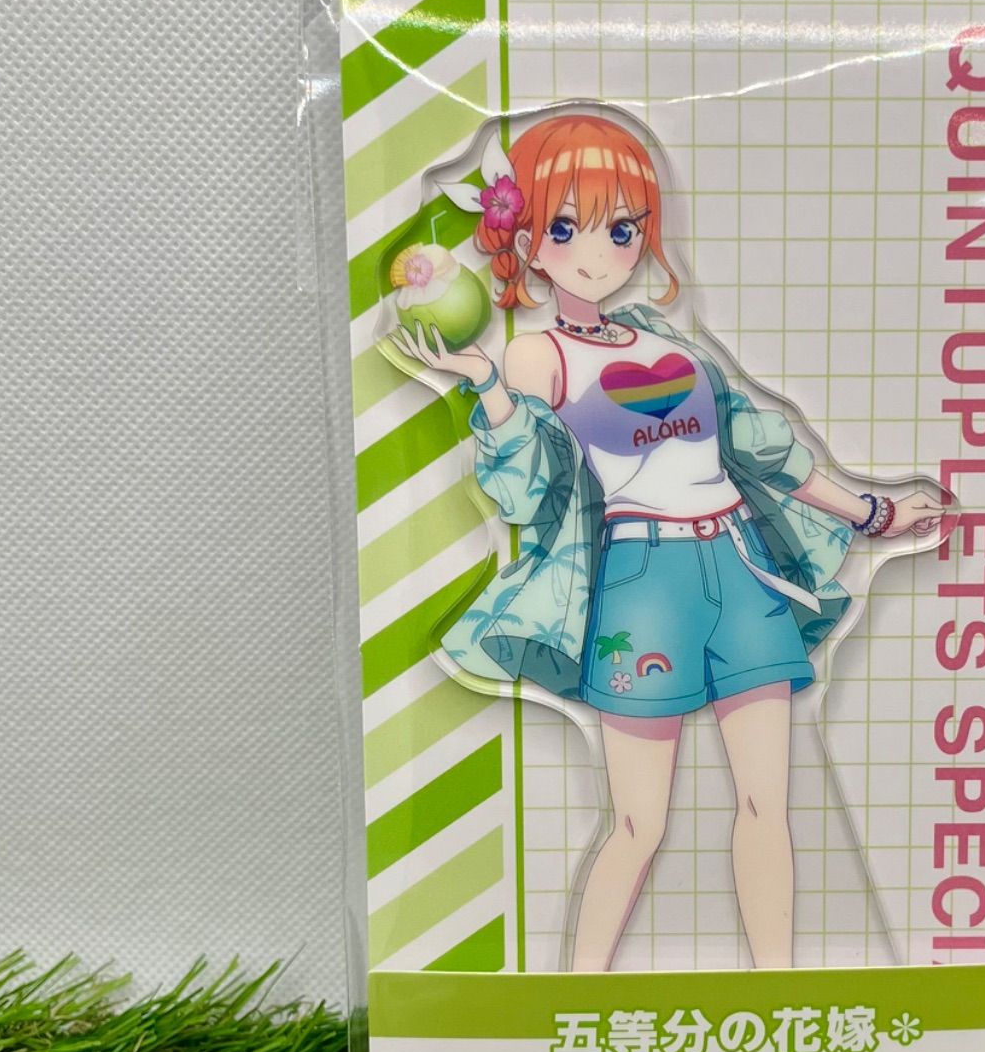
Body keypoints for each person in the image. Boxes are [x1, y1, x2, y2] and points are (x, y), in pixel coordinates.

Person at [391, 112, 941, 971]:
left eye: (620, 228)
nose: (597, 253)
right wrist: (487, 390)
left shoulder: (667, 338)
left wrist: (871, 513)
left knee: (766, 805)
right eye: (566, 228)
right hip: (641, 584)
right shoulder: (537, 358)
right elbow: (526, 489)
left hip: (740, 566)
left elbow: (760, 445)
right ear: (527, 244)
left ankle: (776, 993)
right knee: (637, 822)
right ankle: (575, 1002)